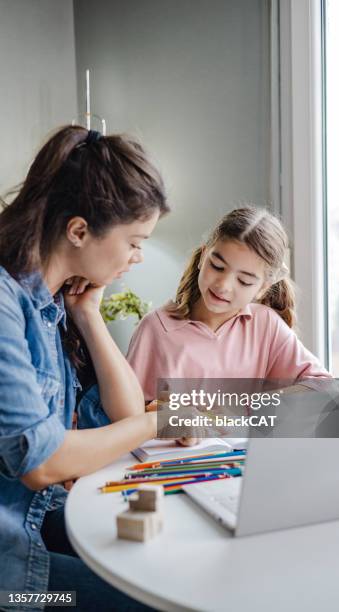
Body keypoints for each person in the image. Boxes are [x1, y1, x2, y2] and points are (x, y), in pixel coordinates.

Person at [0, 125, 169, 611]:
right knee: (150, 602)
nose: (137, 257)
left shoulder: (51, 304)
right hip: (11, 570)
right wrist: (158, 421)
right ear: (78, 231)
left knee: (160, 569)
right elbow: (44, 462)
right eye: (135, 241)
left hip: (36, 523)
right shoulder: (7, 304)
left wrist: (87, 313)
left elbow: (123, 416)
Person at [127, 206, 330, 409]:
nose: (223, 286)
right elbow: (130, 415)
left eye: (244, 281)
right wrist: (172, 418)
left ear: (262, 288)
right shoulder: (155, 328)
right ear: (203, 256)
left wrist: (248, 406)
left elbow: (322, 386)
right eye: (217, 266)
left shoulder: (265, 324)